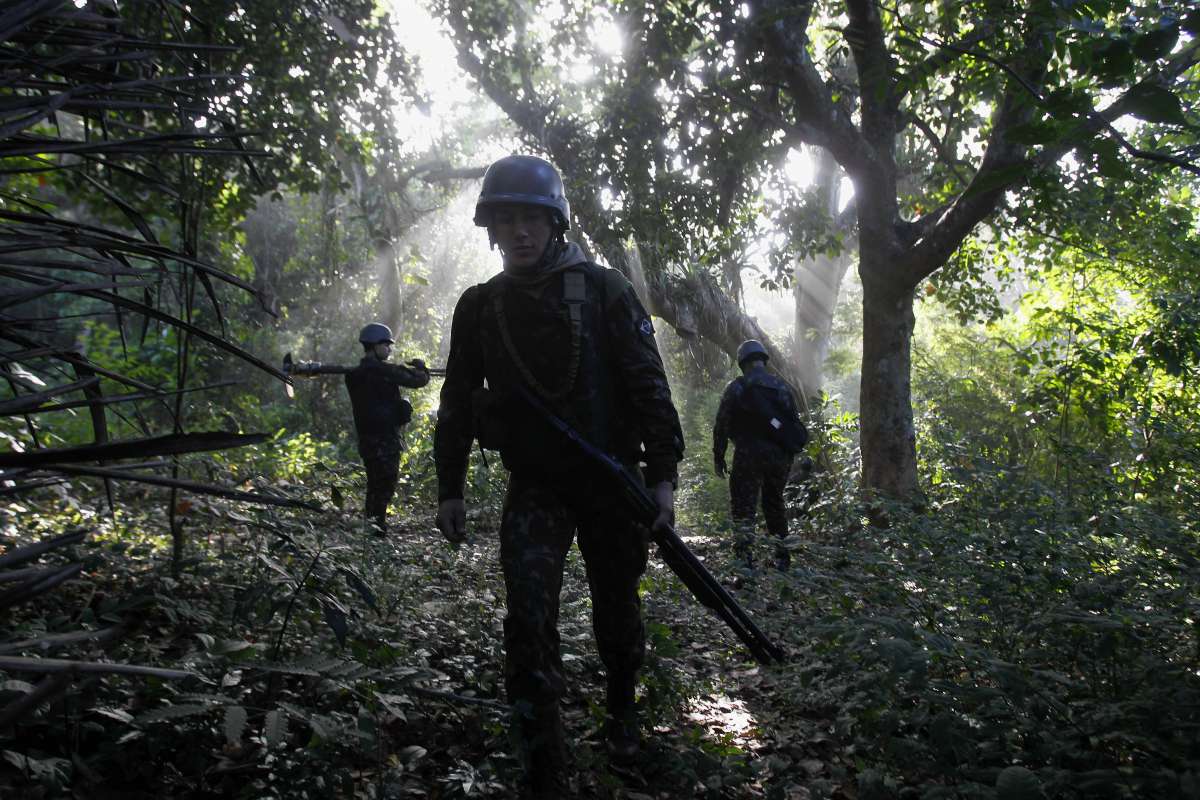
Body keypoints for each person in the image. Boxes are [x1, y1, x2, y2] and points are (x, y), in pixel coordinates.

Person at [433, 154, 684, 796]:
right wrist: (451, 489)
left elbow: (649, 387)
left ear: (556, 223)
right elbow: (457, 401)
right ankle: (544, 755)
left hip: (610, 483)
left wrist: (663, 480)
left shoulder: (605, 291)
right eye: (507, 219)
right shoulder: (481, 307)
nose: (519, 231)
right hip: (537, 484)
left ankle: (622, 711)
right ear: (492, 228)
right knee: (528, 613)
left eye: (532, 219)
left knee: (616, 608)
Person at [712, 339, 807, 571]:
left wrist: (719, 456)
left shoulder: (737, 387)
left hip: (748, 454)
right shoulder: (782, 387)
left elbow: (722, 424)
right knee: (774, 503)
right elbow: (792, 423)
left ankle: (744, 564)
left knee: (744, 509)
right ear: (763, 360)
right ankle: (782, 559)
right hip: (780, 457)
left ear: (743, 362)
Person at [344, 322, 430, 535]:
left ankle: (373, 529)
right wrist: (422, 368)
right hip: (385, 441)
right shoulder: (384, 371)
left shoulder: (354, 374)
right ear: (374, 345)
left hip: (368, 440)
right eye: (386, 345)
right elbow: (418, 381)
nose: (389, 349)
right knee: (384, 486)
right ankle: (376, 530)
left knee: (375, 486)